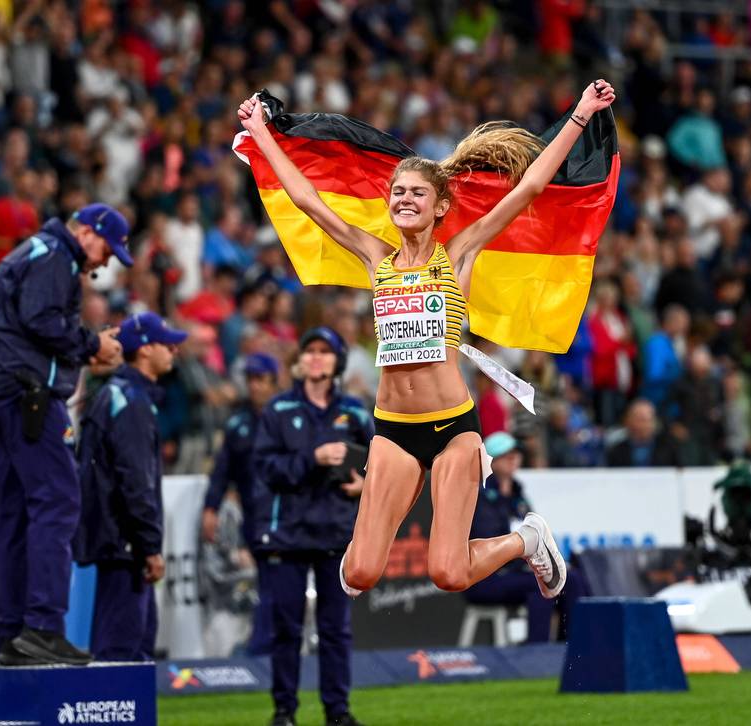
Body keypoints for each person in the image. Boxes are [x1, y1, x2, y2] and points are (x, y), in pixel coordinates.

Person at [235, 80, 617, 605]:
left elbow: (527, 189)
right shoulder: (375, 258)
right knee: (359, 576)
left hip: (451, 426)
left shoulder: (461, 251)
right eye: (397, 192)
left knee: (448, 573)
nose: (404, 199)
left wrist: (579, 113)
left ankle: (526, 538)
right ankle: (369, 542)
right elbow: (306, 199)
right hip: (392, 428)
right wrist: (259, 131)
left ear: (440, 207)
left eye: (416, 192)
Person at [0, 203, 129, 665]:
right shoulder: (53, 256)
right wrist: (92, 344)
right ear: (86, 232)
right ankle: (42, 626)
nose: (104, 262)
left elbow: (32, 323)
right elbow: (41, 320)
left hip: (2, 393)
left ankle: (14, 634)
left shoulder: (37, 251)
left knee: (18, 513)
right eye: (107, 249)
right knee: (58, 502)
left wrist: (83, 350)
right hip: (28, 397)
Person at [252, 328, 373, 726]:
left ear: (337, 361)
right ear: (301, 360)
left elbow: (378, 467)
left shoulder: (355, 411)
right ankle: (284, 710)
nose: (317, 358)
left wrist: (362, 485)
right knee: (285, 628)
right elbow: (266, 469)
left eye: (325, 351)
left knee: (335, 631)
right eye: (310, 351)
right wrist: (312, 458)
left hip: (336, 533)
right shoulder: (278, 410)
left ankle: (338, 712)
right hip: (287, 532)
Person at [73, 312, 186, 662]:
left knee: (129, 644)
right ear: (145, 349)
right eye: (166, 344)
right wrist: (149, 545)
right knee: (122, 650)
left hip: (117, 537)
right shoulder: (131, 402)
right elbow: (135, 481)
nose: (173, 351)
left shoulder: (120, 395)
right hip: (125, 542)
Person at [200, 352, 281, 656]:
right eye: (251, 380)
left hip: (285, 513)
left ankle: (268, 641)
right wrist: (211, 508)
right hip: (252, 512)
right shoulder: (238, 425)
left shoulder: (287, 417)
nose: (255, 386)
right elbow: (222, 470)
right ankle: (263, 640)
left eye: (261, 380)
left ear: (274, 383)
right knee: (262, 579)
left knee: (278, 578)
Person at [464, 433, 553, 644]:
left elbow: (536, 533)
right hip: (485, 576)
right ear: (491, 460)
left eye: (516, 454)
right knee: (539, 582)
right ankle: (537, 651)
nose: (513, 458)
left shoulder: (519, 496)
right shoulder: (479, 495)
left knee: (569, 578)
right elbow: (489, 539)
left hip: (516, 570)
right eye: (506, 454)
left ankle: (571, 649)